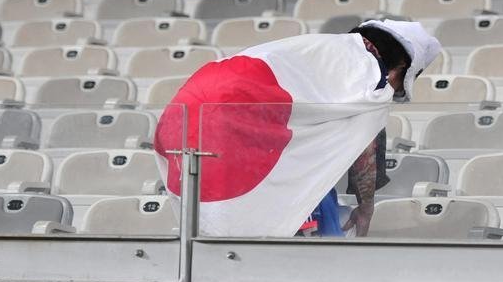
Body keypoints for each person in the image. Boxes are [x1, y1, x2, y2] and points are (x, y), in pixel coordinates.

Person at [153, 20, 441, 238]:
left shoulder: (320, 46)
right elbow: (364, 148)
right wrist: (366, 207)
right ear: (401, 66)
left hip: (186, 109)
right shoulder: (370, 77)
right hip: (235, 120)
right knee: (293, 207)